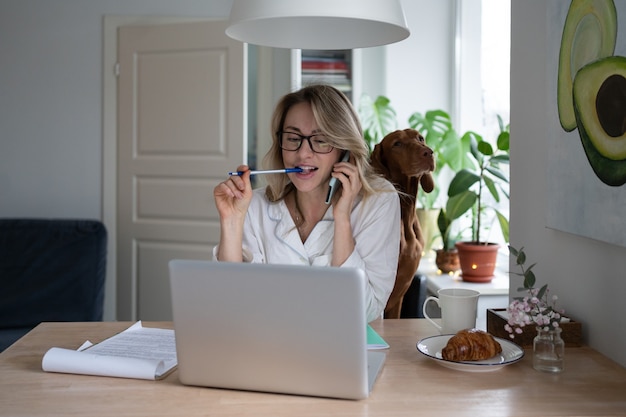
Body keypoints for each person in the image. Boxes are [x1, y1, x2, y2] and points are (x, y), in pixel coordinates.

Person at [213, 84, 400, 322]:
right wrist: (232, 220)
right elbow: (230, 304)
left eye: (320, 140)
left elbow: (365, 312)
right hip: (268, 350)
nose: (303, 154)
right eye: (293, 138)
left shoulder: (379, 202)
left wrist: (342, 219)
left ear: (344, 148)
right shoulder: (254, 204)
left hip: (345, 353)